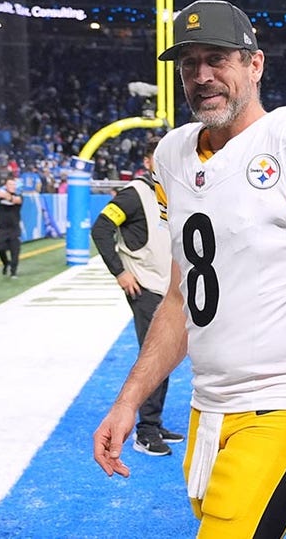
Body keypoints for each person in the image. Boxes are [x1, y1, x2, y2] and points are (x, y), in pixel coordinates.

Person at [91, 0, 286, 538]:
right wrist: (128, 401)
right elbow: (180, 298)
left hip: (283, 401)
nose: (202, 76)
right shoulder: (172, 154)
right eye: (189, 63)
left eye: (217, 58)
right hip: (207, 404)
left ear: (255, 64)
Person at [90, 136, 183, 457]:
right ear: (147, 162)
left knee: (166, 354)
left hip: (166, 286)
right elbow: (101, 229)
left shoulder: (172, 192)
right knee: (154, 354)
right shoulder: (134, 194)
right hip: (145, 287)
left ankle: (154, 423)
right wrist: (120, 271)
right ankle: (146, 431)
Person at [0, 177, 23, 277]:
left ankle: (13, 272)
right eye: (10, 184)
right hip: (2, 228)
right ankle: (6, 263)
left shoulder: (19, 195)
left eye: (14, 185)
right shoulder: (0, 196)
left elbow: (16, 200)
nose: (12, 186)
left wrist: (6, 195)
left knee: (15, 251)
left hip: (14, 229)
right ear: (6, 186)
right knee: (0, 249)